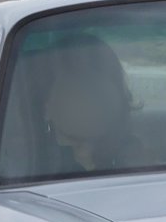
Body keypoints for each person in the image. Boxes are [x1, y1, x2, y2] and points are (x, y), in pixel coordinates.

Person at [37, 32, 139, 173]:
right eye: (80, 85)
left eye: (103, 85)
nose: (94, 98)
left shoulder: (141, 164)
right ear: (46, 106)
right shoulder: (30, 168)